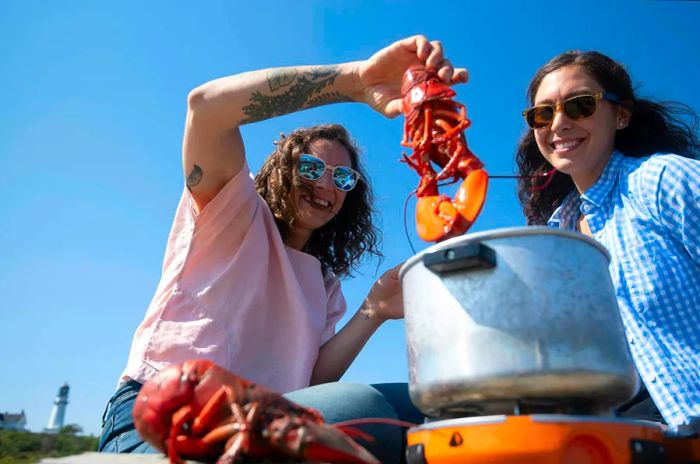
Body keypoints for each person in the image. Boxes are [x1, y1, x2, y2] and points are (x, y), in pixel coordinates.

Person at [97, 36, 467, 463]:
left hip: (270, 421)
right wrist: (355, 81)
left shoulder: (324, 285)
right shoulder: (233, 214)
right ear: (280, 172)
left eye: (343, 179)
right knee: (360, 410)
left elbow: (310, 382)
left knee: (435, 407)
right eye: (310, 168)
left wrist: (376, 309)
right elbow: (206, 107)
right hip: (163, 420)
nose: (326, 185)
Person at [515, 50, 700, 432]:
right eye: (543, 113)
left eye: (580, 105)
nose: (560, 124)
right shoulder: (556, 233)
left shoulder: (663, 180)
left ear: (622, 115)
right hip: (603, 430)